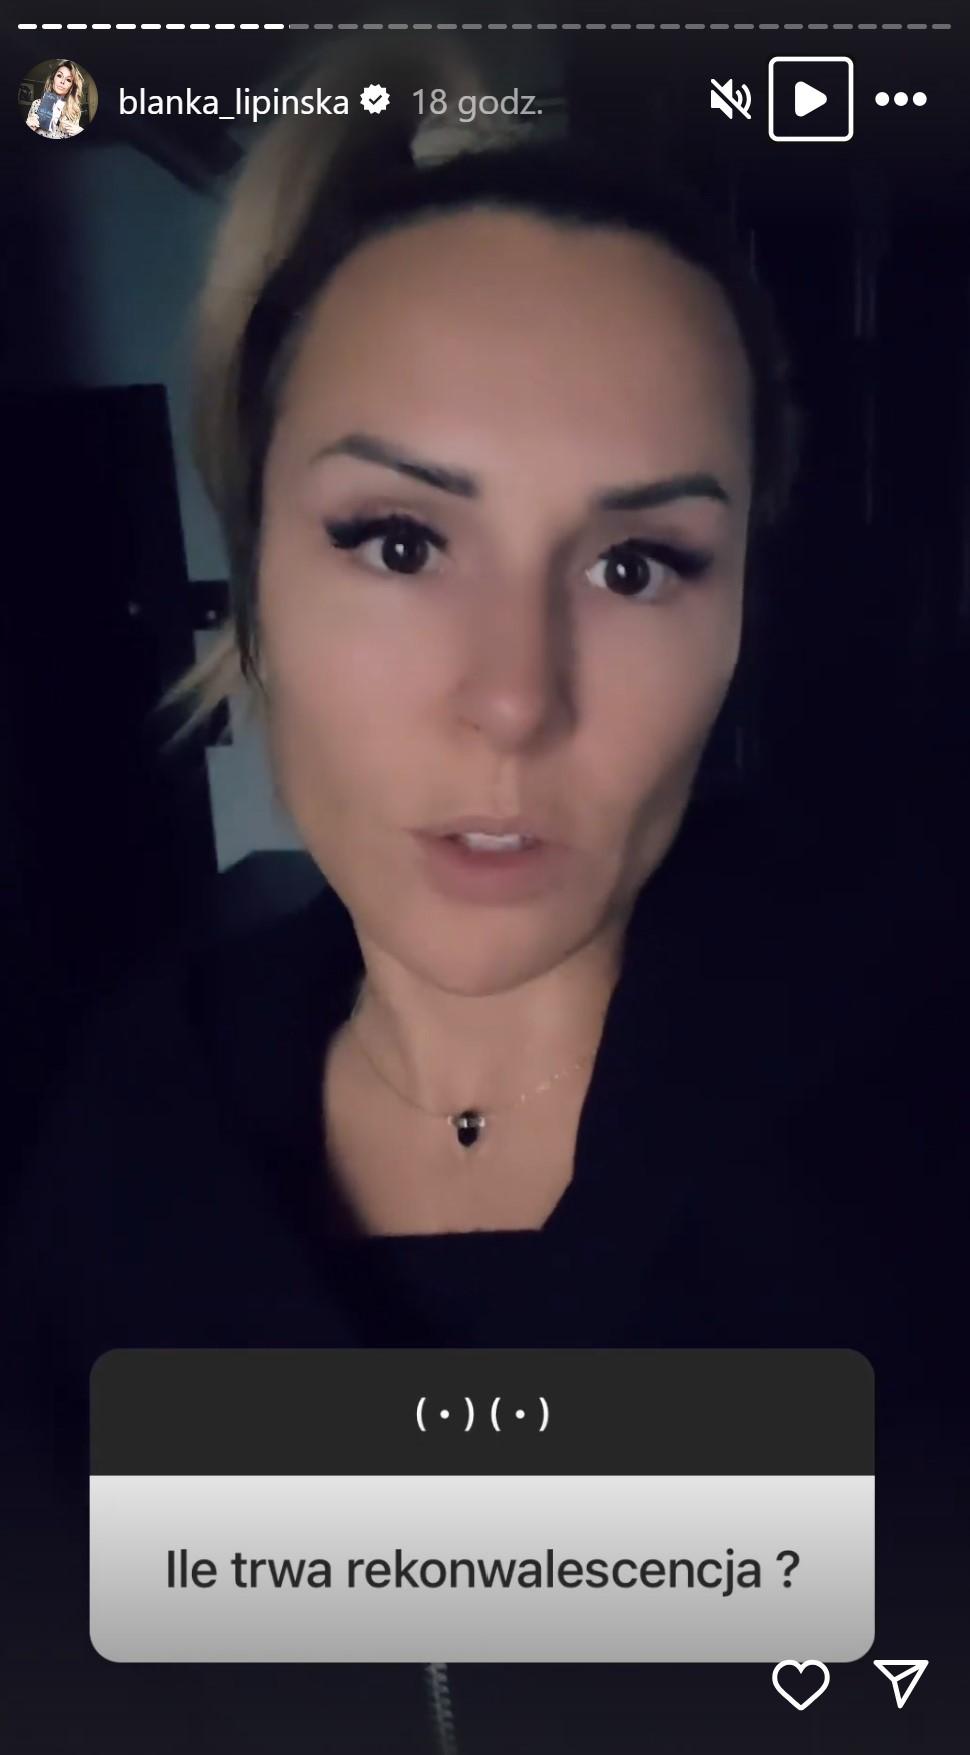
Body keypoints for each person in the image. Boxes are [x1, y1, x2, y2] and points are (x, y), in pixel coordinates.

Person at [4, 59, 966, 1755]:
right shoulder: (94, 1161)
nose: (515, 698)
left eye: (635, 564)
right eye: (397, 541)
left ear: (740, 615)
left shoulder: (915, 1121)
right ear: (254, 579)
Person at [25, 59, 85, 139]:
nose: (62, 81)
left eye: (68, 80)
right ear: (53, 78)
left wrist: (80, 132)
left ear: (71, 87)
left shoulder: (74, 112)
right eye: (59, 76)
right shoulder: (36, 104)